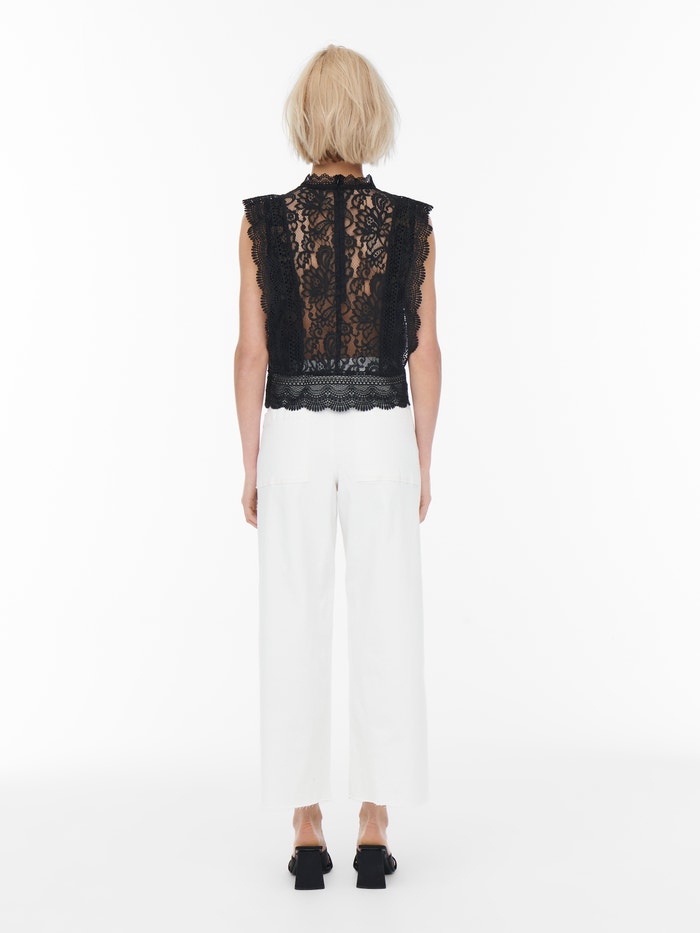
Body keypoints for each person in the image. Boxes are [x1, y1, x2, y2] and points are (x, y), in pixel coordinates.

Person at [234, 44, 441, 890]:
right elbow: (425, 353)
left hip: (291, 428)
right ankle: (376, 825)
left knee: (293, 615)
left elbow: (251, 353)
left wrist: (249, 461)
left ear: (305, 115)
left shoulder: (262, 222)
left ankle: (305, 826)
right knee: (386, 615)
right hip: (382, 428)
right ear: (370, 116)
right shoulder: (411, 224)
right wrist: (423, 456)